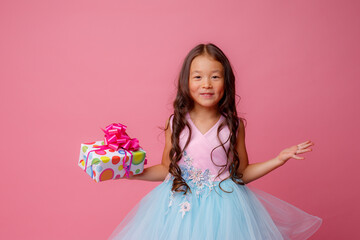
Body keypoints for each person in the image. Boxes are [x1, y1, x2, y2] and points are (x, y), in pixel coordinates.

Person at [108, 43, 322, 240]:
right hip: (179, 209)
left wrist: (278, 159)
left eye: (215, 77)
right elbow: (166, 168)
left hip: (225, 210)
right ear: (186, 81)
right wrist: (130, 172)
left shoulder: (234, 126)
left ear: (226, 82)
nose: (207, 85)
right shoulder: (175, 123)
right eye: (198, 77)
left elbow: (241, 174)